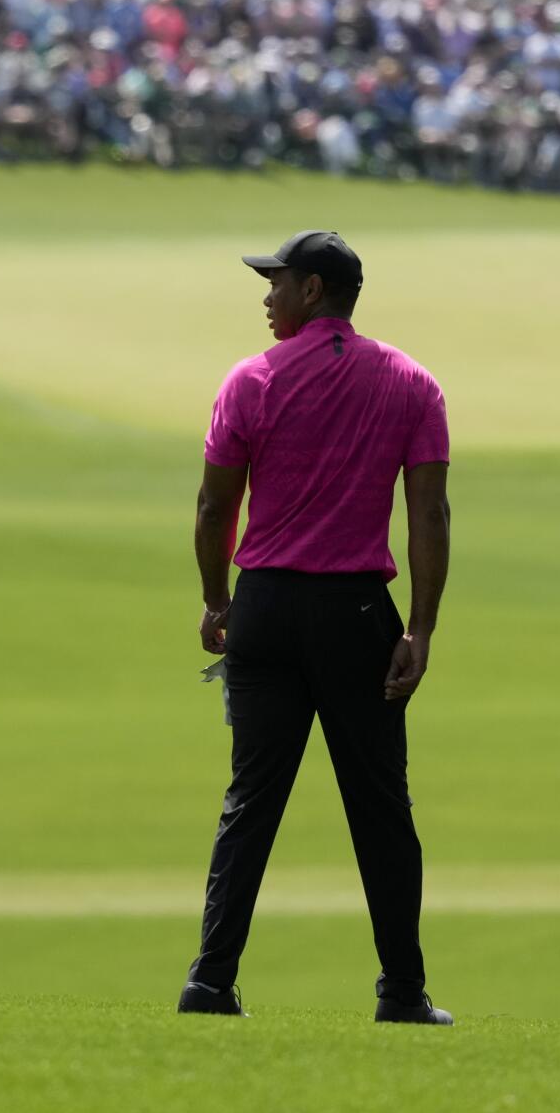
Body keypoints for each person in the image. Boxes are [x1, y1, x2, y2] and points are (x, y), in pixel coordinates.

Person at [182, 229, 453, 1028]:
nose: (266, 298)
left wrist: (216, 597)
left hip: (263, 606)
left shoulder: (252, 380)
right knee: (379, 805)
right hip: (356, 613)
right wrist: (424, 630)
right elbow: (428, 513)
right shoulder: (411, 383)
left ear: (313, 290)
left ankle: (210, 980)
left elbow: (211, 507)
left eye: (276, 283)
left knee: (251, 799)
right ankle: (402, 992)